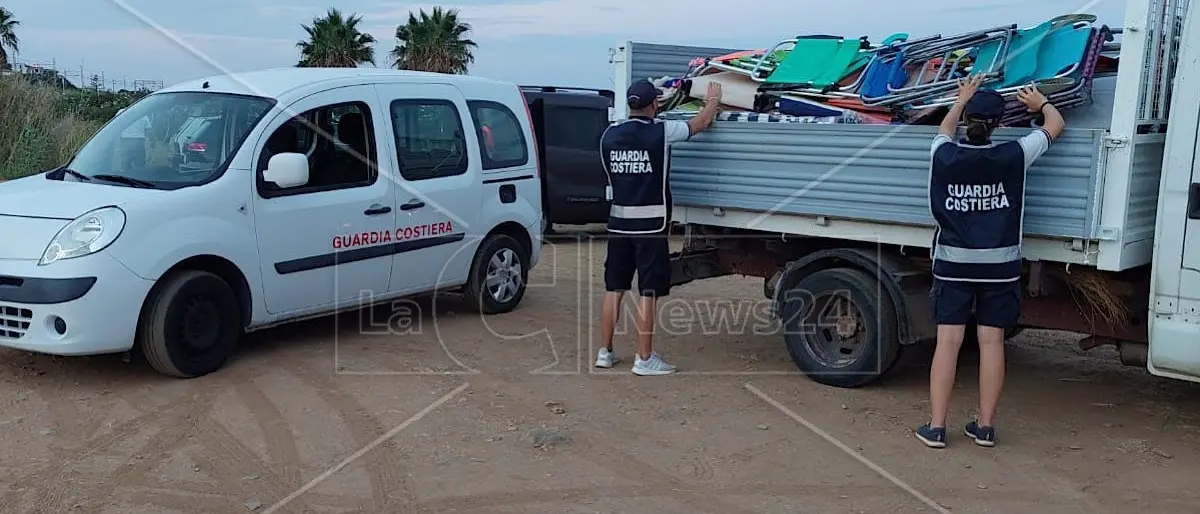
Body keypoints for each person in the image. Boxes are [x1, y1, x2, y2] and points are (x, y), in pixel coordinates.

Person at [916, 75, 1065, 448]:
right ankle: (984, 428)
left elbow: (944, 131)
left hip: (953, 265)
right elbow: (1055, 126)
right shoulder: (1014, 154)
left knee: (948, 343)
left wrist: (960, 99)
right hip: (999, 269)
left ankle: (936, 428)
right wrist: (1041, 102)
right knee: (992, 342)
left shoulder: (944, 155)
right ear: (1000, 124)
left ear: (968, 120)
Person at [594, 78, 723, 376]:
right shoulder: (661, 131)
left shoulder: (608, 135)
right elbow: (701, 123)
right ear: (654, 104)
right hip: (651, 226)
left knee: (614, 287)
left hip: (619, 223)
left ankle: (605, 352)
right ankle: (644, 358)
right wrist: (713, 99)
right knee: (648, 292)